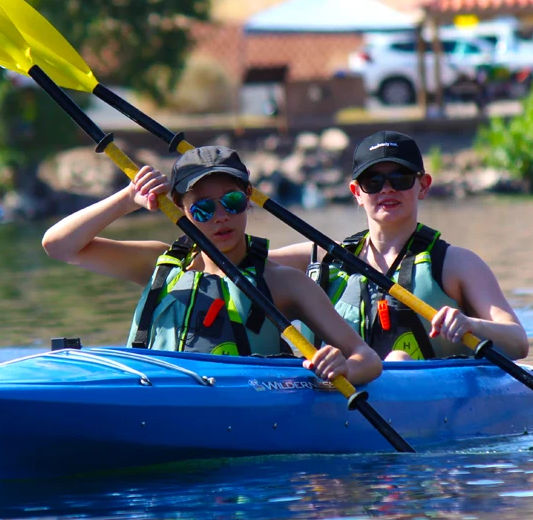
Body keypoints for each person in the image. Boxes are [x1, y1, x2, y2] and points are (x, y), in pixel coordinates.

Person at [41, 145, 383, 385]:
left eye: (232, 203)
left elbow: (366, 358)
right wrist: (127, 199)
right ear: (179, 209)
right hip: (153, 392)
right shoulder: (158, 264)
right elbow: (58, 246)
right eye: (203, 209)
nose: (221, 218)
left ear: (248, 198)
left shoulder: (283, 283)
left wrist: (344, 368)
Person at [269, 131, 529, 362]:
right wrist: (231, 196)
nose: (387, 189)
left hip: (430, 400)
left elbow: (518, 342)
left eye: (400, 178)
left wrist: (471, 325)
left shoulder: (457, 264)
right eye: (373, 182)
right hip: (336, 392)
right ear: (357, 192)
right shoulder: (319, 256)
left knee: (399, 360)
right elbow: (239, 260)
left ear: (423, 186)